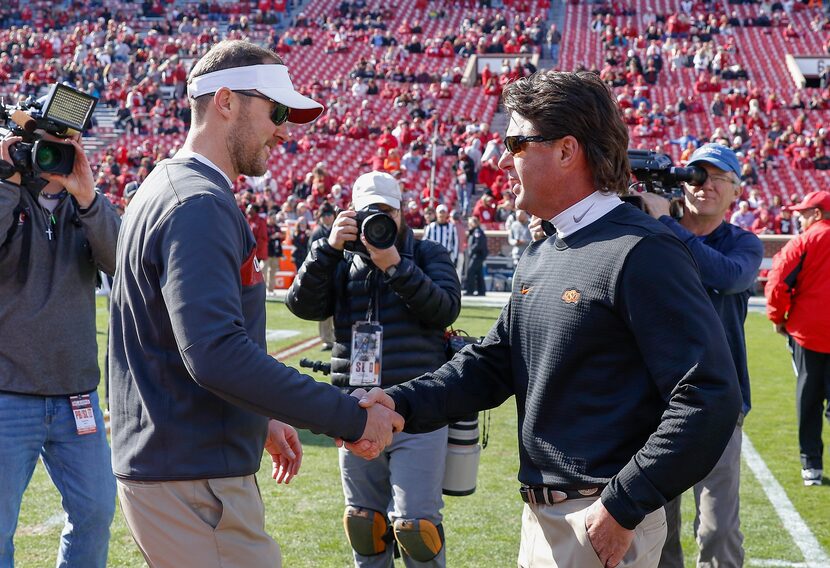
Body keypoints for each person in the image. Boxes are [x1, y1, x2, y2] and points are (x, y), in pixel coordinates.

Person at [360, 71, 741, 568]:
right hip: (542, 514)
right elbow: (491, 365)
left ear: (567, 151)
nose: (500, 159)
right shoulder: (545, 249)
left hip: (600, 516)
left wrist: (623, 505)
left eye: (515, 142)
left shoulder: (644, 250)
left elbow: (709, 395)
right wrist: (398, 404)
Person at [108, 40, 403, 568]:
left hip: (181, 465)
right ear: (225, 101)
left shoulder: (168, 186)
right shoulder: (197, 203)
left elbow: (178, 342)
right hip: (193, 478)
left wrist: (258, 417)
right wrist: (349, 419)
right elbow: (216, 353)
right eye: (276, 110)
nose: (286, 129)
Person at [285, 171, 461, 568]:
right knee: (364, 523)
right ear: (352, 212)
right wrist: (329, 248)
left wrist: (396, 266)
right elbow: (302, 306)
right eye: (368, 213)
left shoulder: (428, 252)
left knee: (418, 528)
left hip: (418, 407)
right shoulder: (338, 256)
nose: (377, 222)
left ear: (401, 213)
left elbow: (445, 309)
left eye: (386, 212)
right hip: (357, 408)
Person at [641, 143, 764, 568]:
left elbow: (728, 276)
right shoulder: (653, 226)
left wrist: (663, 221)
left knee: (717, 530)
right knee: (659, 530)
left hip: (718, 400)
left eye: (718, 178)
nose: (705, 185)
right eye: (696, 174)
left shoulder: (743, 244)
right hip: (656, 397)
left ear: (735, 192)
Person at [0, 128, 119, 565]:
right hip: (8, 393)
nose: (53, 155)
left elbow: (121, 262)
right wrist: (4, 179)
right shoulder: (7, 195)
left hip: (76, 395)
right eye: (45, 145)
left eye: (64, 146)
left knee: (95, 511)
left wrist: (88, 198)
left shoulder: (85, 205)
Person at [765, 190, 830, 487]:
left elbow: (778, 282)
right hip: (811, 333)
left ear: (816, 214)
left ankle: (811, 466)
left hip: (809, 335)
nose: (800, 218)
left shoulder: (804, 241)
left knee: (809, 400)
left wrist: (778, 318)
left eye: (804, 213)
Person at [311, 202, 336, 350]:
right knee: (324, 309)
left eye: (329, 215)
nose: (327, 218)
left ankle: (337, 337)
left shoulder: (339, 230)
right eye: (324, 215)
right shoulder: (316, 233)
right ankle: (326, 339)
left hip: (338, 273)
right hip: (323, 275)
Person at [465, 216, 487, 296]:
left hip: (477, 255)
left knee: (470, 272)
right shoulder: (474, 231)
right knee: (479, 273)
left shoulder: (477, 231)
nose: (469, 224)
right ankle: (481, 291)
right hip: (477, 255)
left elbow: (478, 244)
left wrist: (471, 250)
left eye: (470, 223)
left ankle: (470, 290)